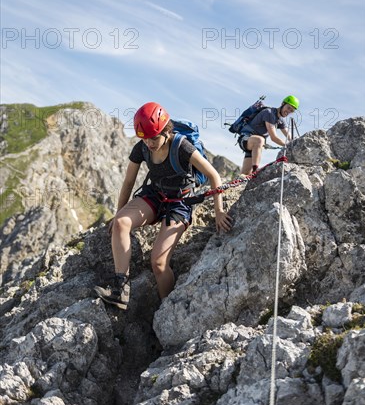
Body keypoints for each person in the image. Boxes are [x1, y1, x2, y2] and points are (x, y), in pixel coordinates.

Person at [95, 102, 233, 309]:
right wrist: (118, 214)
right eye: (145, 138)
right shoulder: (142, 147)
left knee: (158, 263)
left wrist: (219, 211)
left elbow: (214, 175)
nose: (149, 143)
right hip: (155, 195)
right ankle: (120, 289)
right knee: (121, 223)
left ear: (166, 130)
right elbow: (128, 182)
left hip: (180, 203)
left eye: (154, 138)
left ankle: (166, 308)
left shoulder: (182, 146)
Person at [239, 95, 299, 176]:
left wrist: (296, 143)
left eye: (291, 111)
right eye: (288, 108)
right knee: (260, 140)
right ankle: (255, 171)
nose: (288, 111)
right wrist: (288, 146)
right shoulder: (269, 113)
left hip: (254, 146)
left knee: (245, 174)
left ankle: (247, 176)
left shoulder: (280, 120)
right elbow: (274, 138)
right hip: (246, 139)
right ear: (282, 104)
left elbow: (289, 136)